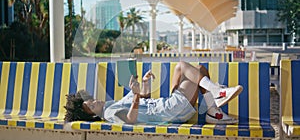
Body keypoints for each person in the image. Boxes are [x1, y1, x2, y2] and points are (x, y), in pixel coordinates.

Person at [64, 61, 243, 124]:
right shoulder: (110, 113)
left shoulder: (111, 105)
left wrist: (144, 83)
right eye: (91, 106)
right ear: (93, 115)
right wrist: (135, 94)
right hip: (168, 111)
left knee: (199, 70)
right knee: (182, 66)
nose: (94, 101)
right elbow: (130, 119)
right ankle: (218, 92)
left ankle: (213, 112)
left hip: (167, 107)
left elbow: (144, 99)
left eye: (91, 100)